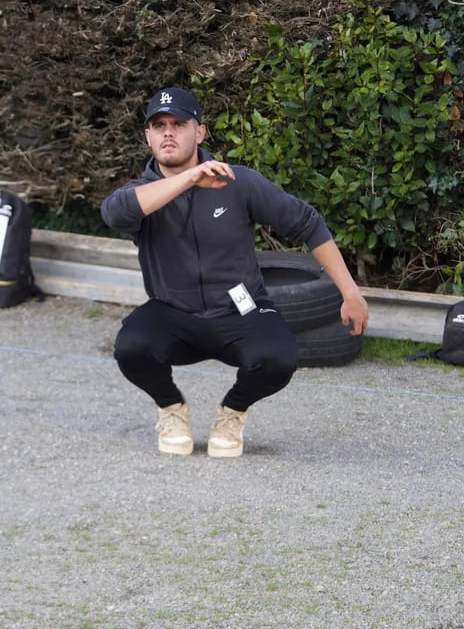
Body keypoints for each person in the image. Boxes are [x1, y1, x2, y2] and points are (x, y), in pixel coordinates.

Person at [100, 86, 369, 458]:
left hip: (239, 311)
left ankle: (232, 412)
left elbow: (308, 223)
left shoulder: (237, 182)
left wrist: (350, 293)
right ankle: (171, 407)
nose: (168, 133)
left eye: (179, 124)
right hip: (173, 314)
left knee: (279, 358)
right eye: (159, 125)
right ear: (148, 136)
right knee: (131, 347)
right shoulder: (141, 194)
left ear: (200, 132)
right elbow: (115, 213)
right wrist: (190, 179)